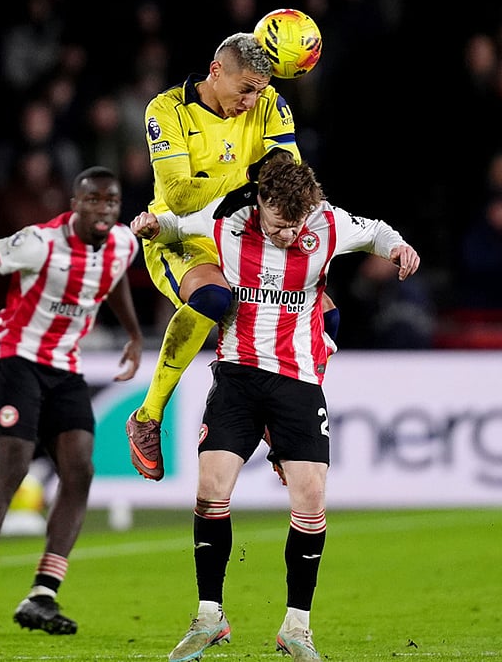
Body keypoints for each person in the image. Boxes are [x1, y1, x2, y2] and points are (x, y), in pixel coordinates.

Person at [130, 154, 420, 662]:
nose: (288, 236)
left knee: (310, 501)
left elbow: (376, 231)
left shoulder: (326, 222)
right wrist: (152, 225)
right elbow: (177, 224)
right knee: (210, 489)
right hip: (238, 374)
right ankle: (209, 616)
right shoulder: (228, 216)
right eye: (280, 226)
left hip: (298, 382)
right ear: (260, 202)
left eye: (296, 225)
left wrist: (398, 247)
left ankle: (297, 628)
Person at [126, 31, 338, 482]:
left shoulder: (270, 103)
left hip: (246, 233)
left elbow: (289, 178)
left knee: (327, 317)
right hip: (180, 234)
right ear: (216, 72)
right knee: (213, 300)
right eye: (245, 90)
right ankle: (147, 415)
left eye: (259, 91)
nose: (250, 101)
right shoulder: (167, 110)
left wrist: (257, 183)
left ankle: (279, 420)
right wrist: (250, 175)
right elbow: (181, 196)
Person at [0, 166, 143, 635]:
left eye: (111, 202)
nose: (103, 209)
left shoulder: (123, 245)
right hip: (15, 358)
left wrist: (133, 334)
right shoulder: (39, 242)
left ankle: (42, 596)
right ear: (75, 203)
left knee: (80, 470)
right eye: (93, 200)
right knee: (12, 465)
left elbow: (112, 281)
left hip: (64, 366)